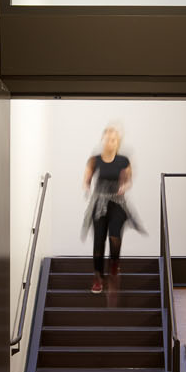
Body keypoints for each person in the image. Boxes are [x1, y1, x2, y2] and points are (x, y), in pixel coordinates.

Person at [80, 125, 143, 295]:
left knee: (115, 236)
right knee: (99, 242)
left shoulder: (123, 160)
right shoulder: (95, 159)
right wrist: (86, 186)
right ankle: (98, 277)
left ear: (117, 142)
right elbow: (87, 178)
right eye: (107, 138)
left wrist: (125, 186)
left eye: (113, 139)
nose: (110, 142)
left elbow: (129, 180)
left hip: (117, 203)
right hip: (99, 203)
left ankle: (114, 264)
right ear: (103, 140)